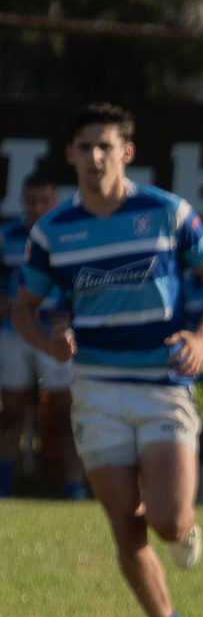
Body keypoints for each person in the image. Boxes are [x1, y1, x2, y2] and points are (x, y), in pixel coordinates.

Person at [12, 104, 203, 617]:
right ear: (70, 154)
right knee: (126, 526)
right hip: (96, 392)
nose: (95, 156)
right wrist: (48, 343)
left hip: (162, 385)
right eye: (84, 146)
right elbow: (23, 309)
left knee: (164, 520)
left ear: (126, 153)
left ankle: (185, 528)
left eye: (105, 146)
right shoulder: (52, 232)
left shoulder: (167, 212)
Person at [1, 169, 83, 500]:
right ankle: (4, 487)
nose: (37, 208)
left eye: (43, 201)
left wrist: (75, 313)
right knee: (11, 414)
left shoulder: (71, 234)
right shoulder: (7, 235)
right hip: (12, 334)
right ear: (22, 200)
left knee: (66, 413)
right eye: (31, 201)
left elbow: (85, 283)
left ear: (55, 201)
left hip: (57, 336)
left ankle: (76, 487)